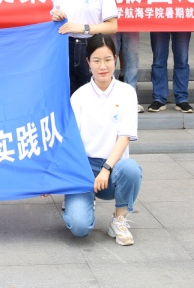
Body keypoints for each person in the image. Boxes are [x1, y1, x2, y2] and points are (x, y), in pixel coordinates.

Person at [63, 34, 142, 246]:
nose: (102, 66)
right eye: (96, 60)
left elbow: (125, 136)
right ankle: (79, 201)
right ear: (88, 62)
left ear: (115, 59)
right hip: (83, 167)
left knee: (131, 169)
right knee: (79, 227)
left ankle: (119, 220)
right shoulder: (79, 96)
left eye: (107, 59)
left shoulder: (127, 93)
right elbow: (70, 142)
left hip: (113, 167)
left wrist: (106, 168)